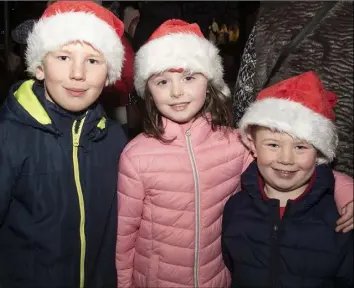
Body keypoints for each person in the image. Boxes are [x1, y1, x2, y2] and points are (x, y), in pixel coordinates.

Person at [115, 20, 354, 288]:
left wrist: (346, 192)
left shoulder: (234, 144)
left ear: (209, 82)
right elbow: (124, 237)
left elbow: (291, 167)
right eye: (162, 81)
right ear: (148, 90)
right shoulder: (136, 155)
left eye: (189, 77)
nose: (176, 91)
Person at [0, 1, 127, 287]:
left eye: (92, 61)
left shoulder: (116, 140)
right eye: (64, 58)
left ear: (109, 75)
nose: (77, 74)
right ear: (40, 67)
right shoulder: (7, 138)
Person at [222, 72, 353, 287]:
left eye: (300, 147)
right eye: (273, 145)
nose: (286, 159)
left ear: (318, 153)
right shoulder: (235, 208)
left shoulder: (340, 218)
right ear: (253, 146)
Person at [232, 1, 353, 178]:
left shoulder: (274, 9)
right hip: (340, 155)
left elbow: (244, 89)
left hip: (274, 144)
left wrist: (247, 135)